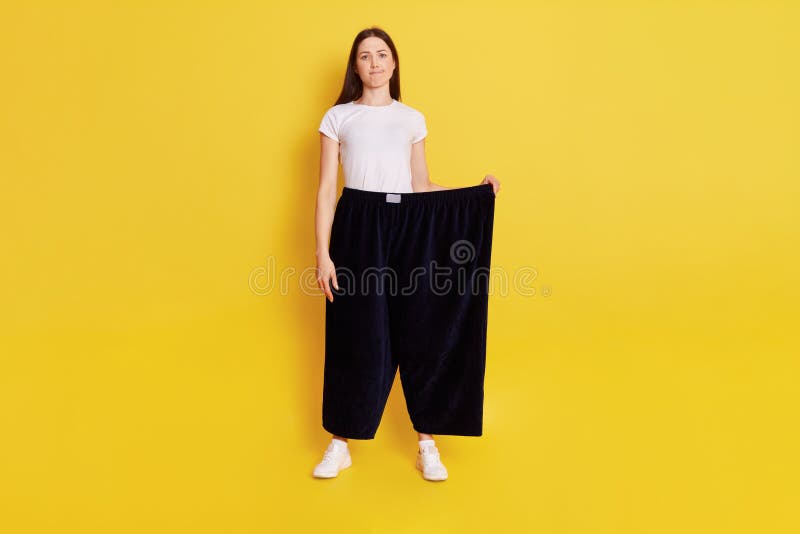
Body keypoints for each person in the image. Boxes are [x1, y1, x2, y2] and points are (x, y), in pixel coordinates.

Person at [312, 26, 500, 481]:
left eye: (382, 55)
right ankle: (341, 442)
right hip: (359, 222)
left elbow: (420, 184)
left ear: (393, 63)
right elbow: (324, 191)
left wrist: (475, 195)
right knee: (356, 332)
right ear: (355, 67)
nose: (374, 63)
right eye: (364, 56)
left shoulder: (412, 118)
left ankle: (427, 442)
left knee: (422, 328)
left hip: (412, 224)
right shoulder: (338, 117)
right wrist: (323, 254)